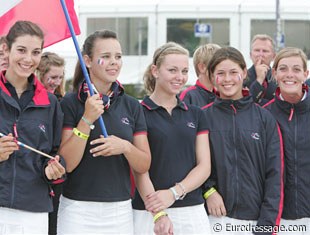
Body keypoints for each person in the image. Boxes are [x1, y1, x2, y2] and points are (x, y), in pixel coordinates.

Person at [57, 29, 151, 234]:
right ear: (88, 61)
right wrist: (86, 119)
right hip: (77, 209)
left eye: (118, 57)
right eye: (105, 57)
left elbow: (144, 164)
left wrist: (125, 147)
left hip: (119, 211)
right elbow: (66, 164)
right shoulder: (70, 103)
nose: (114, 62)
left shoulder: (132, 106)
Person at [202, 47, 283, 235]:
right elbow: (191, 164)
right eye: (220, 73)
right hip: (212, 220)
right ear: (213, 76)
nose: (227, 79)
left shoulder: (264, 118)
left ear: (244, 73)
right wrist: (208, 191)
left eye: (233, 72)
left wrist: (266, 227)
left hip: (255, 221)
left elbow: (275, 175)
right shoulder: (202, 117)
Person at [132, 42, 211, 235]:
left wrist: (174, 193)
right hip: (149, 212)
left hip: (192, 211)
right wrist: (159, 213)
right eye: (172, 70)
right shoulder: (138, 111)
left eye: (184, 71)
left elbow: (204, 166)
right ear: (155, 71)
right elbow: (139, 169)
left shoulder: (196, 114)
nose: (180, 77)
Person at [0, 21, 65, 234]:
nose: (28, 59)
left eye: (36, 52)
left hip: (34, 211)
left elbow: (54, 153)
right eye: (21, 50)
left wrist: (53, 168)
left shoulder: (50, 103)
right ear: (6, 50)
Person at [263, 47, 310, 235]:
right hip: (278, 218)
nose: (289, 75)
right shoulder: (263, 114)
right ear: (274, 74)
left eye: (296, 69)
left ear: (306, 74)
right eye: (283, 69)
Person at [36, 51, 66, 235]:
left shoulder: (60, 101)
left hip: (55, 173)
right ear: (39, 74)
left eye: (60, 77)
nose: (57, 82)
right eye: (52, 77)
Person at [243, 34, 277, 105]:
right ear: (250, 55)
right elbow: (244, 103)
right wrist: (259, 80)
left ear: (273, 56)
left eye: (265, 51)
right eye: (257, 50)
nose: (260, 54)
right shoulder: (242, 77)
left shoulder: (278, 79)